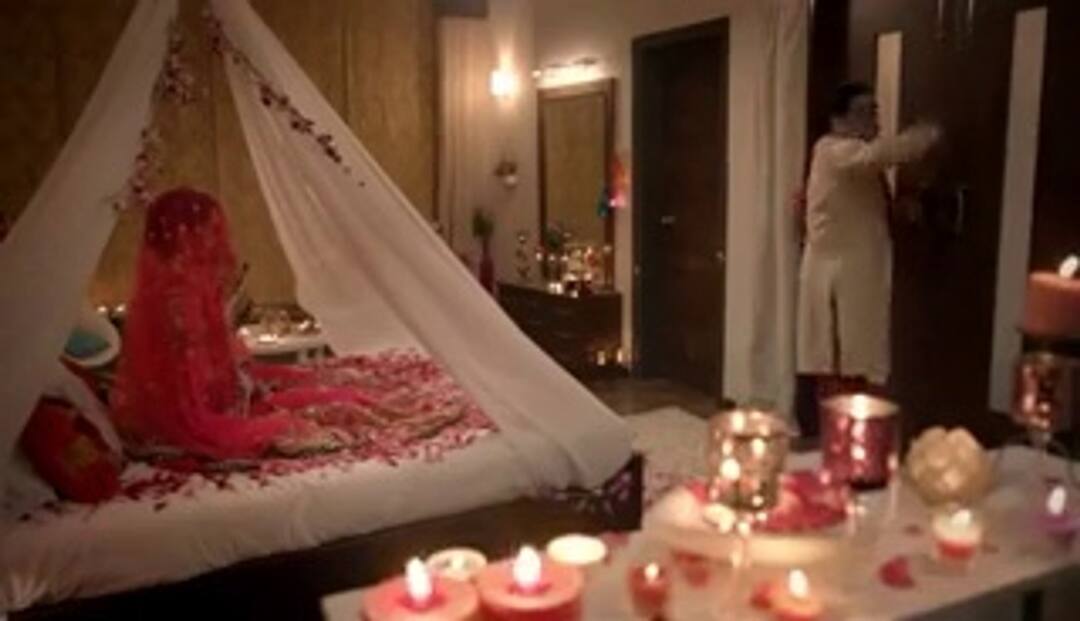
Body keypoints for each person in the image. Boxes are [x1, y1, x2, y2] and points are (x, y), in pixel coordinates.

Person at [110, 188, 491, 462]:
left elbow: (216, 373)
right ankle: (401, 413)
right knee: (335, 405)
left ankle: (392, 408)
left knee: (338, 389)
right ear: (190, 237)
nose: (221, 241)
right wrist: (256, 401)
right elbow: (193, 405)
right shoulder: (177, 307)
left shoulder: (185, 292)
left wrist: (249, 381)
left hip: (240, 399)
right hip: (224, 414)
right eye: (210, 231)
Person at [796, 82, 940, 429]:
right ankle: (841, 435)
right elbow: (878, 155)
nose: (873, 119)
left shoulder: (857, 163)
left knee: (859, 361)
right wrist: (927, 134)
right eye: (863, 112)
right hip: (839, 275)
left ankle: (862, 435)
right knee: (841, 362)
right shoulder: (832, 150)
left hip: (861, 273)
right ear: (838, 120)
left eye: (874, 111)